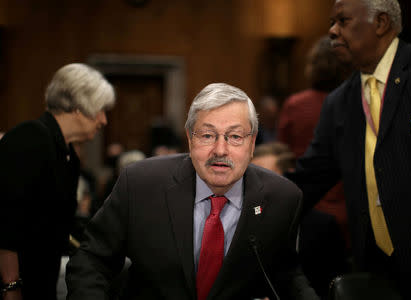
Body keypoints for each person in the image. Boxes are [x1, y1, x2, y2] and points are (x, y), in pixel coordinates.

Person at [65, 83, 319, 300]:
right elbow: (91, 260)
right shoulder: (141, 184)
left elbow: (286, 275)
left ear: (252, 144)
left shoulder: (282, 199)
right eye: (207, 135)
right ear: (189, 139)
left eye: (235, 137)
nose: (221, 150)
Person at [287, 0, 411, 297]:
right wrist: (250, 208)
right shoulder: (338, 102)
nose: (332, 31)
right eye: (332, 23)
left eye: (343, 21)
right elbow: (308, 179)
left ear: (381, 23)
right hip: (376, 273)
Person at [0, 63, 115, 300]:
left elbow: (61, 226)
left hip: (41, 281)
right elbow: (4, 223)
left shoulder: (68, 155)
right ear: (78, 107)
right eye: (100, 110)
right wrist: (11, 287)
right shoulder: (29, 138)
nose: (103, 120)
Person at [278, 36, 352, 251]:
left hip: (307, 204)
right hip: (348, 206)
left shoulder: (295, 105)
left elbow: (282, 155)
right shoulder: (353, 104)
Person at [251, 143, 348, 299]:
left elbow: (336, 285)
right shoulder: (244, 224)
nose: (256, 186)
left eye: (265, 176)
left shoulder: (322, 226)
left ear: (289, 177)